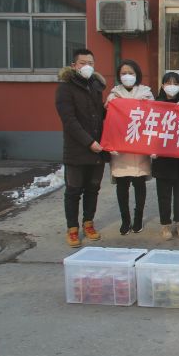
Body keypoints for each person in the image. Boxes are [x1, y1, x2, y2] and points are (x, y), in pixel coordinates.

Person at [55, 48, 105, 247]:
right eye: (83, 63)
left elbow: (101, 115)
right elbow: (69, 121)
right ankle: (72, 228)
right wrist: (89, 142)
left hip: (98, 149)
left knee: (93, 189)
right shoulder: (65, 88)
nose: (87, 67)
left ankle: (88, 223)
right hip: (77, 150)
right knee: (73, 191)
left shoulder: (96, 86)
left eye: (90, 63)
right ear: (74, 65)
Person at [105, 60, 154, 235]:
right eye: (124, 73)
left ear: (137, 74)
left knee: (139, 185)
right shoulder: (113, 95)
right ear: (119, 76)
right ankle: (125, 220)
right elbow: (108, 120)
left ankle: (138, 218)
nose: (127, 76)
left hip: (139, 149)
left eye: (131, 73)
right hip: (121, 150)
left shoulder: (146, 93)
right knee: (122, 186)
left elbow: (154, 117)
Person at [151, 71, 179, 241]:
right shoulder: (156, 104)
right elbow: (149, 127)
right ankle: (165, 225)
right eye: (168, 83)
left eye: (176, 83)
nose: (172, 86)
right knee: (164, 194)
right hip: (162, 157)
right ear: (162, 85)